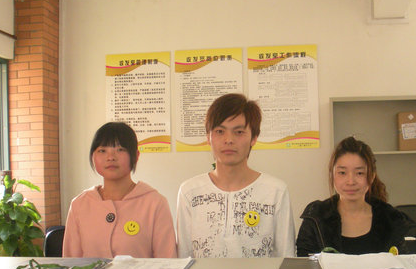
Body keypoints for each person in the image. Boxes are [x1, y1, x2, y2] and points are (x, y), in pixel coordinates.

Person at [176, 93, 295, 258]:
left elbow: (286, 257)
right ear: (208, 137)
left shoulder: (275, 192)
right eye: (219, 131)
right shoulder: (189, 192)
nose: (228, 140)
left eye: (239, 132)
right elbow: (184, 257)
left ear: (254, 138)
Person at [63, 122, 177, 258]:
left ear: (136, 155)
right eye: (102, 151)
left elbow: (168, 262)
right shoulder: (79, 205)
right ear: (93, 156)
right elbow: (71, 262)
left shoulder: (155, 203)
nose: (110, 157)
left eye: (120, 149)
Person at [296, 136, 411, 256]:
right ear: (332, 175)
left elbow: (402, 262)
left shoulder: (390, 219)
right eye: (342, 173)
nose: (350, 181)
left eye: (359, 173)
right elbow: (304, 263)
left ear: (372, 176)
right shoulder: (316, 216)